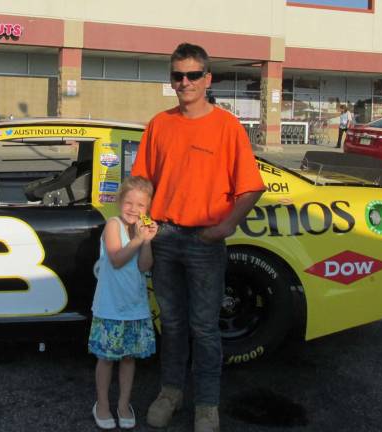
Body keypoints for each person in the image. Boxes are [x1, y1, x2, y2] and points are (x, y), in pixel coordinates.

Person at [131, 43, 265, 432]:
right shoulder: (159, 125)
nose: (184, 82)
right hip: (165, 238)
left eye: (192, 75)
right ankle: (170, 393)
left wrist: (225, 227)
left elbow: (251, 188)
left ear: (208, 78)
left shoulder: (227, 126)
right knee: (172, 324)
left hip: (205, 243)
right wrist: (142, 227)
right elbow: (142, 182)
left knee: (204, 327)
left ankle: (207, 405)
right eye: (178, 75)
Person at [88, 176, 159, 430]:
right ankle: (103, 404)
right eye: (129, 202)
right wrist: (139, 240)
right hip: (110, 307)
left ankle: (123, 404)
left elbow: (144, 266)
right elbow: (117, 259)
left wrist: (147, 241)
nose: (133, 209)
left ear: (148, 209)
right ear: (120, 202)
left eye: (140, 205)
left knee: (129, 358)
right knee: (106, 358)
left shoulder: (141, 231)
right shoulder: (112, 225)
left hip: (135, 307)